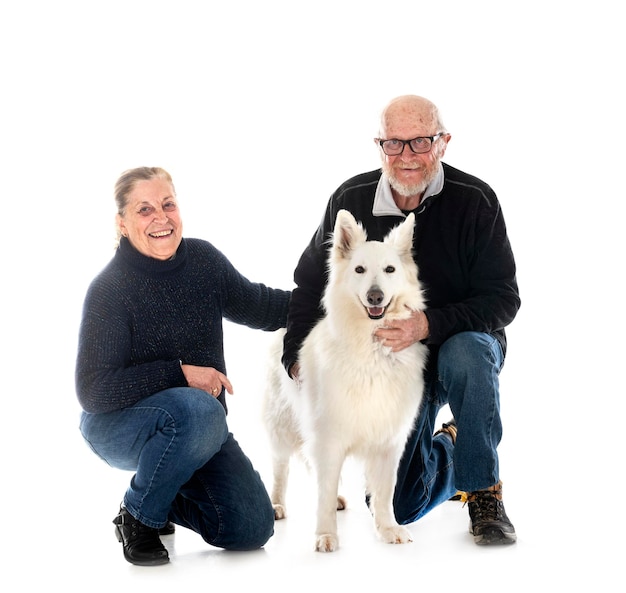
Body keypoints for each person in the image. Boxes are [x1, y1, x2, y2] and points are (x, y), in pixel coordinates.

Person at [282, 95, 520, 545]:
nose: (407, 156)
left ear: (444, 143)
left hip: (456, 349)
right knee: (402, 505)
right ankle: (453, 445)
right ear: (379, 146)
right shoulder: (349, 199)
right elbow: (310, 285)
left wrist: (427, 326)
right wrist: (297, 359)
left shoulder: (475, 201)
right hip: (388, 364)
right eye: (394, 144)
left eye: (420, 142)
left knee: (469, 350)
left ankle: (484, 491)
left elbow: (503, 299)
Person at [76, 166, 291, 565]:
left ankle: (163, 496)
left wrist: (333, 302)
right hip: (116, 425)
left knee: (252, 528)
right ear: (122, 223)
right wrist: (181, 373)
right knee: (200, 408)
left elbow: (261, 305)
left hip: (198, 427)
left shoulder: (203, 262)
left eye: (168, 204)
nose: (161, 217)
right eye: (144, 209)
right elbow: (92, 390)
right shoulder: (110, 289)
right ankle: (138, 516)